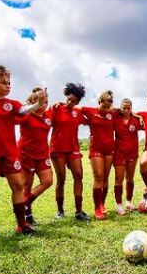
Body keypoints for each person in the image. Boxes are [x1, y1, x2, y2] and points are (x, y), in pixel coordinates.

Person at [0, 65, 46, 239]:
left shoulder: (11, 103)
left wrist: (38, 104)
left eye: (9, 83)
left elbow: (23, 110)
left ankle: (22, 225)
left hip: (9, 152)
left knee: (18, 186)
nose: (7, 86)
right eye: (3, 82)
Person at [50, 83, 90, 221]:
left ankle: (78, 211)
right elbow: (44, 120)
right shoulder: (56, 108)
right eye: (68, 99)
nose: (69, 102)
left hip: (73, 149)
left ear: (77, 102)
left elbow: (90, 121)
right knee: (61, 179)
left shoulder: (77, 112)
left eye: (73, 101)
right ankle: (60, 211)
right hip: (58, 149)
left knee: (78, 176)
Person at [17, 87, 53, 226]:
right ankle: (27, 216)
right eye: (40, 102)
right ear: (32, 102)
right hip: (27, 154)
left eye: (46, 102)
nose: (44, 105)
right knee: (27, 186)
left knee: (48, 181)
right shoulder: (26, 116)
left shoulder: (48, 117)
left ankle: (24, 204)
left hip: (43, 154)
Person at [82, 90, 117, 220]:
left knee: (106, 177)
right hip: (95, 149)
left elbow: (127, 111)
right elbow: (74, 108)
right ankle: (97, 208)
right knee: (99, 176)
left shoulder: (112, 113)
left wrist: (138, 116)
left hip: (109, 149)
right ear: (100, 101)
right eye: (107, 102)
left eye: (111, 103)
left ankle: (102, 203)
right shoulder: (90, 111)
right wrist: (61, 103)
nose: (109, 106)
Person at [113, 98, 143, 212]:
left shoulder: (136, 121)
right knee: (119, 179)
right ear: (121, 108)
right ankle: (119, 204)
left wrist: (140, 117)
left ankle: (129, 201)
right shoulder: (116, 119)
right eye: (124, 108)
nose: (126, 110)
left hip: (132, 153)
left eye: (128, 108)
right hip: (119, 152)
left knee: (130, 178)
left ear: (131, 109)